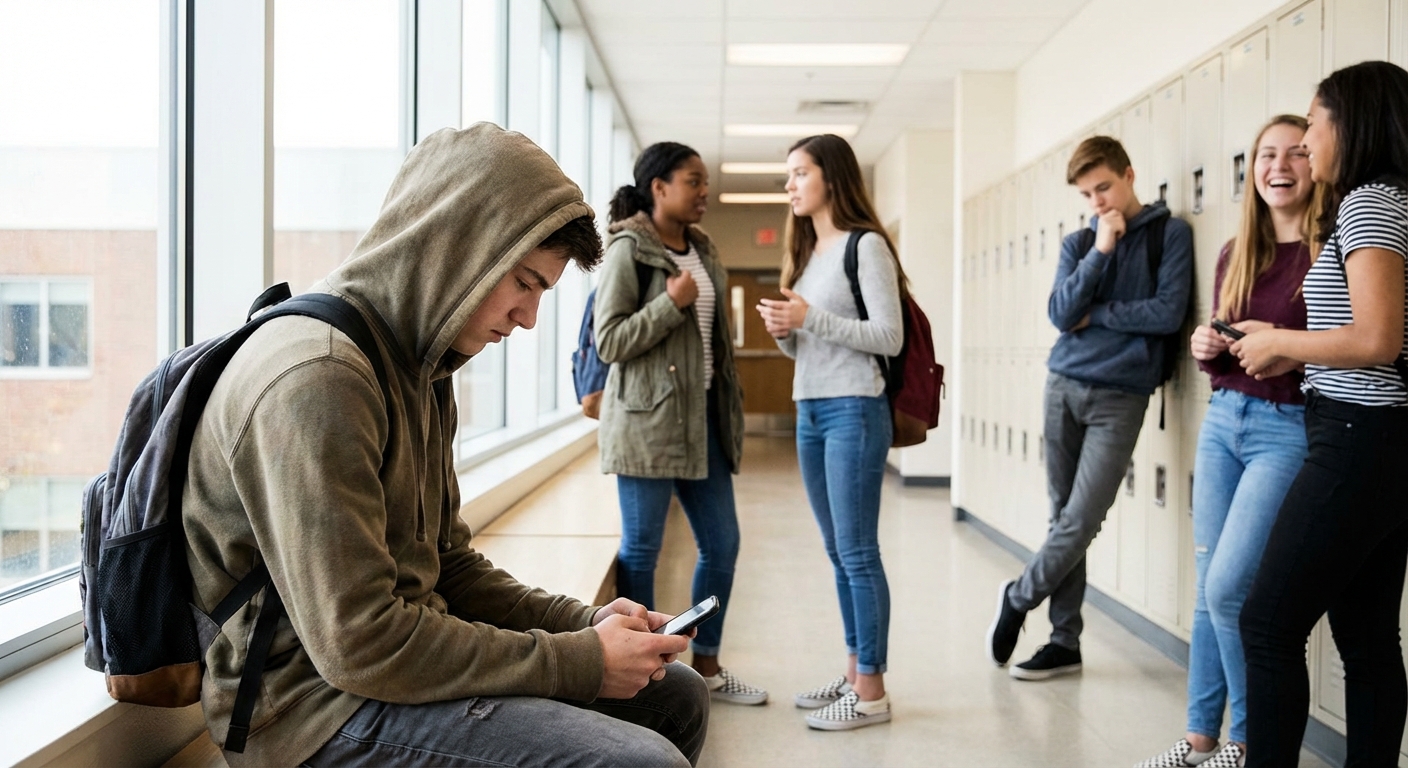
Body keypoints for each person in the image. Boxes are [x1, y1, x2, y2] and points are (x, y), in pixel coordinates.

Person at [181, 124, 709, 768]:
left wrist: (585, 624)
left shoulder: (423, 365)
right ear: (457, 248)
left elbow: (448, 566)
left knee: (675, 695)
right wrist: (579, 662)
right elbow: (361, 644)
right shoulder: (317, 377)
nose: (528, 318)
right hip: (309, 712)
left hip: (386, 675)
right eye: (524, 283)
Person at [1235, 60, 1408, 768]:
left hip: (1356, 439)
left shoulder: (1369, 203)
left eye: (1314, 120)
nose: (1306, 138)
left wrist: (1281, 340)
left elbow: (1377, 338)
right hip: (1381, 437)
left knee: (1268, 624)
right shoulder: (1392, 199)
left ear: (1353, 122)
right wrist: (1291, 355)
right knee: (1367, 637)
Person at [1136, 116, 1318, 768]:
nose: (1279, 166)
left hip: (1287, 428)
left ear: (1316, 163)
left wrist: (1282, 346)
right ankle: (1199, 738)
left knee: (1231, 588)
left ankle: (1247, 741)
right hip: (1224, 421)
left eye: (1296, 152)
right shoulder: (1236, 252)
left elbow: (1340, 357)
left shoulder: (1329, 251)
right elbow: (1222, 360)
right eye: (1268, 154)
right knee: (1210, 581)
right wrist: (1208, 348)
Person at [987, 136, 1194, 680]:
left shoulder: (1170, 235)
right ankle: (1065, 641)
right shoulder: (1081, 242)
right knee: (1061, 516)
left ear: (1129, 174)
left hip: (1121, 395)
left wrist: (1096, 313)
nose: (1098, 200)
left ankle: (1018, 597)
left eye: (1104, 187)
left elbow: (1168, 314)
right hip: (1063, 385)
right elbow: (1060, 312)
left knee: (1081, 518)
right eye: (1087, 193)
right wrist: (1101, 251)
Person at [594, 142, 764, 706]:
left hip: (705, 425)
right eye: (694, 181)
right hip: (648, 427)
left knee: (722, 544)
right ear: (658, 187)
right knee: (641, 550)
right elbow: (610, 341)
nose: (704, 192)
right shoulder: (628, 251)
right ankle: (643, 676)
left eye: (705, 182)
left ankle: (707, 668)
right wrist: (669, 304)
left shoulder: (705, 250)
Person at [755, 133, 903, 731]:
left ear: (831, 178)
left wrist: (811, 317)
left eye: (799, 173)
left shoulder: (865, 248)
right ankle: (852, 673)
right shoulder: (808, 251)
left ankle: (872, 690)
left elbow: (887, 338)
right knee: (838, 551)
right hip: (811, 408)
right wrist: (788, 332)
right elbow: (810, 348)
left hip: (855, 409)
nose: (789, 185)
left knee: (859, 551)